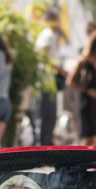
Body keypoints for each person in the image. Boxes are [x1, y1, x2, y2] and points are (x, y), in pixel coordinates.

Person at [33, 9, 67, 146]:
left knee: (50, 115)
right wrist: (59, 70)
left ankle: (47, 143)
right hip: (47, 81)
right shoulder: (47, 35)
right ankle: (44, 145)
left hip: (49, 81)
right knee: (47, 115)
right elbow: (44, 57)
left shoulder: (50, 35)